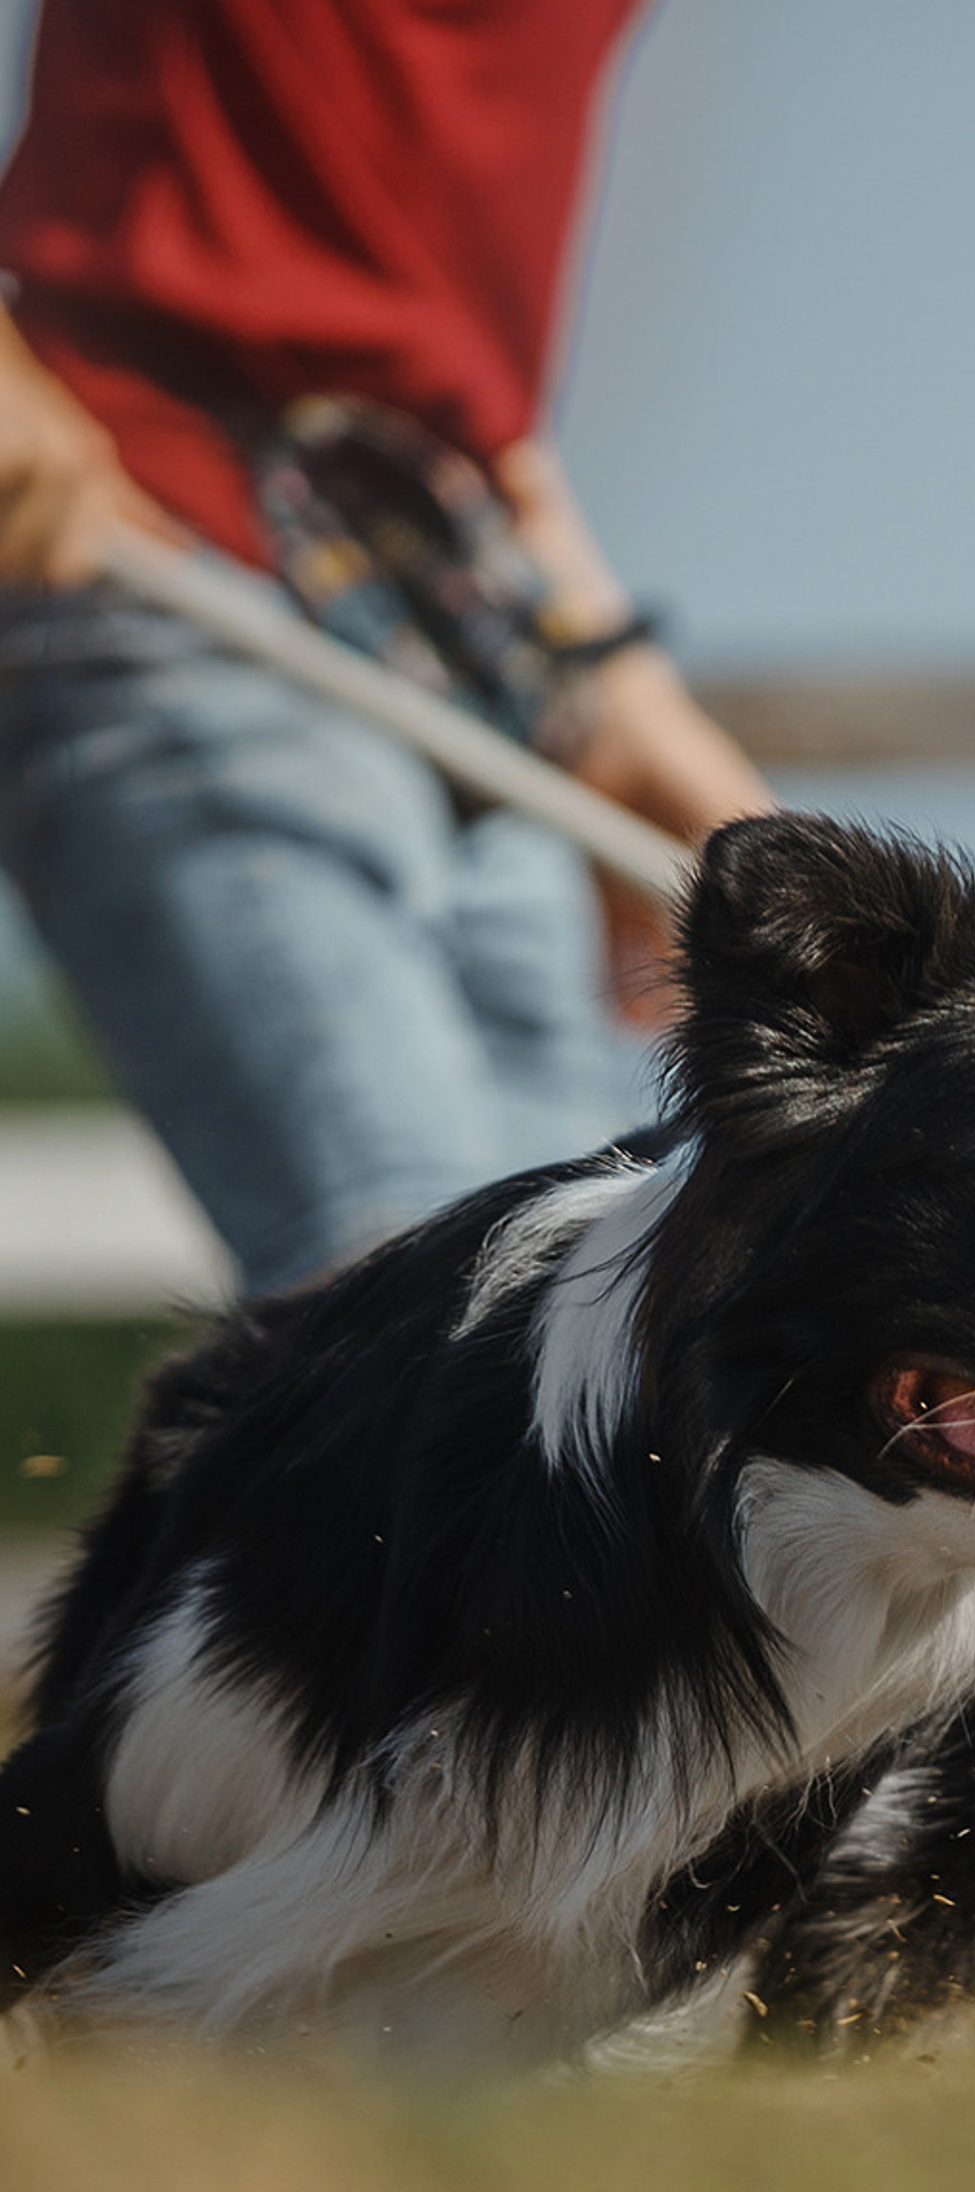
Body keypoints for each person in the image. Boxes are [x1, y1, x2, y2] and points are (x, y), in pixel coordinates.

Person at [0, 0, 770, 1295]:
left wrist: (599, 671)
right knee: (422, 1331)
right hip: (168, 554)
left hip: (462, 627)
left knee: (610, 1322)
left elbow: (420, 293)